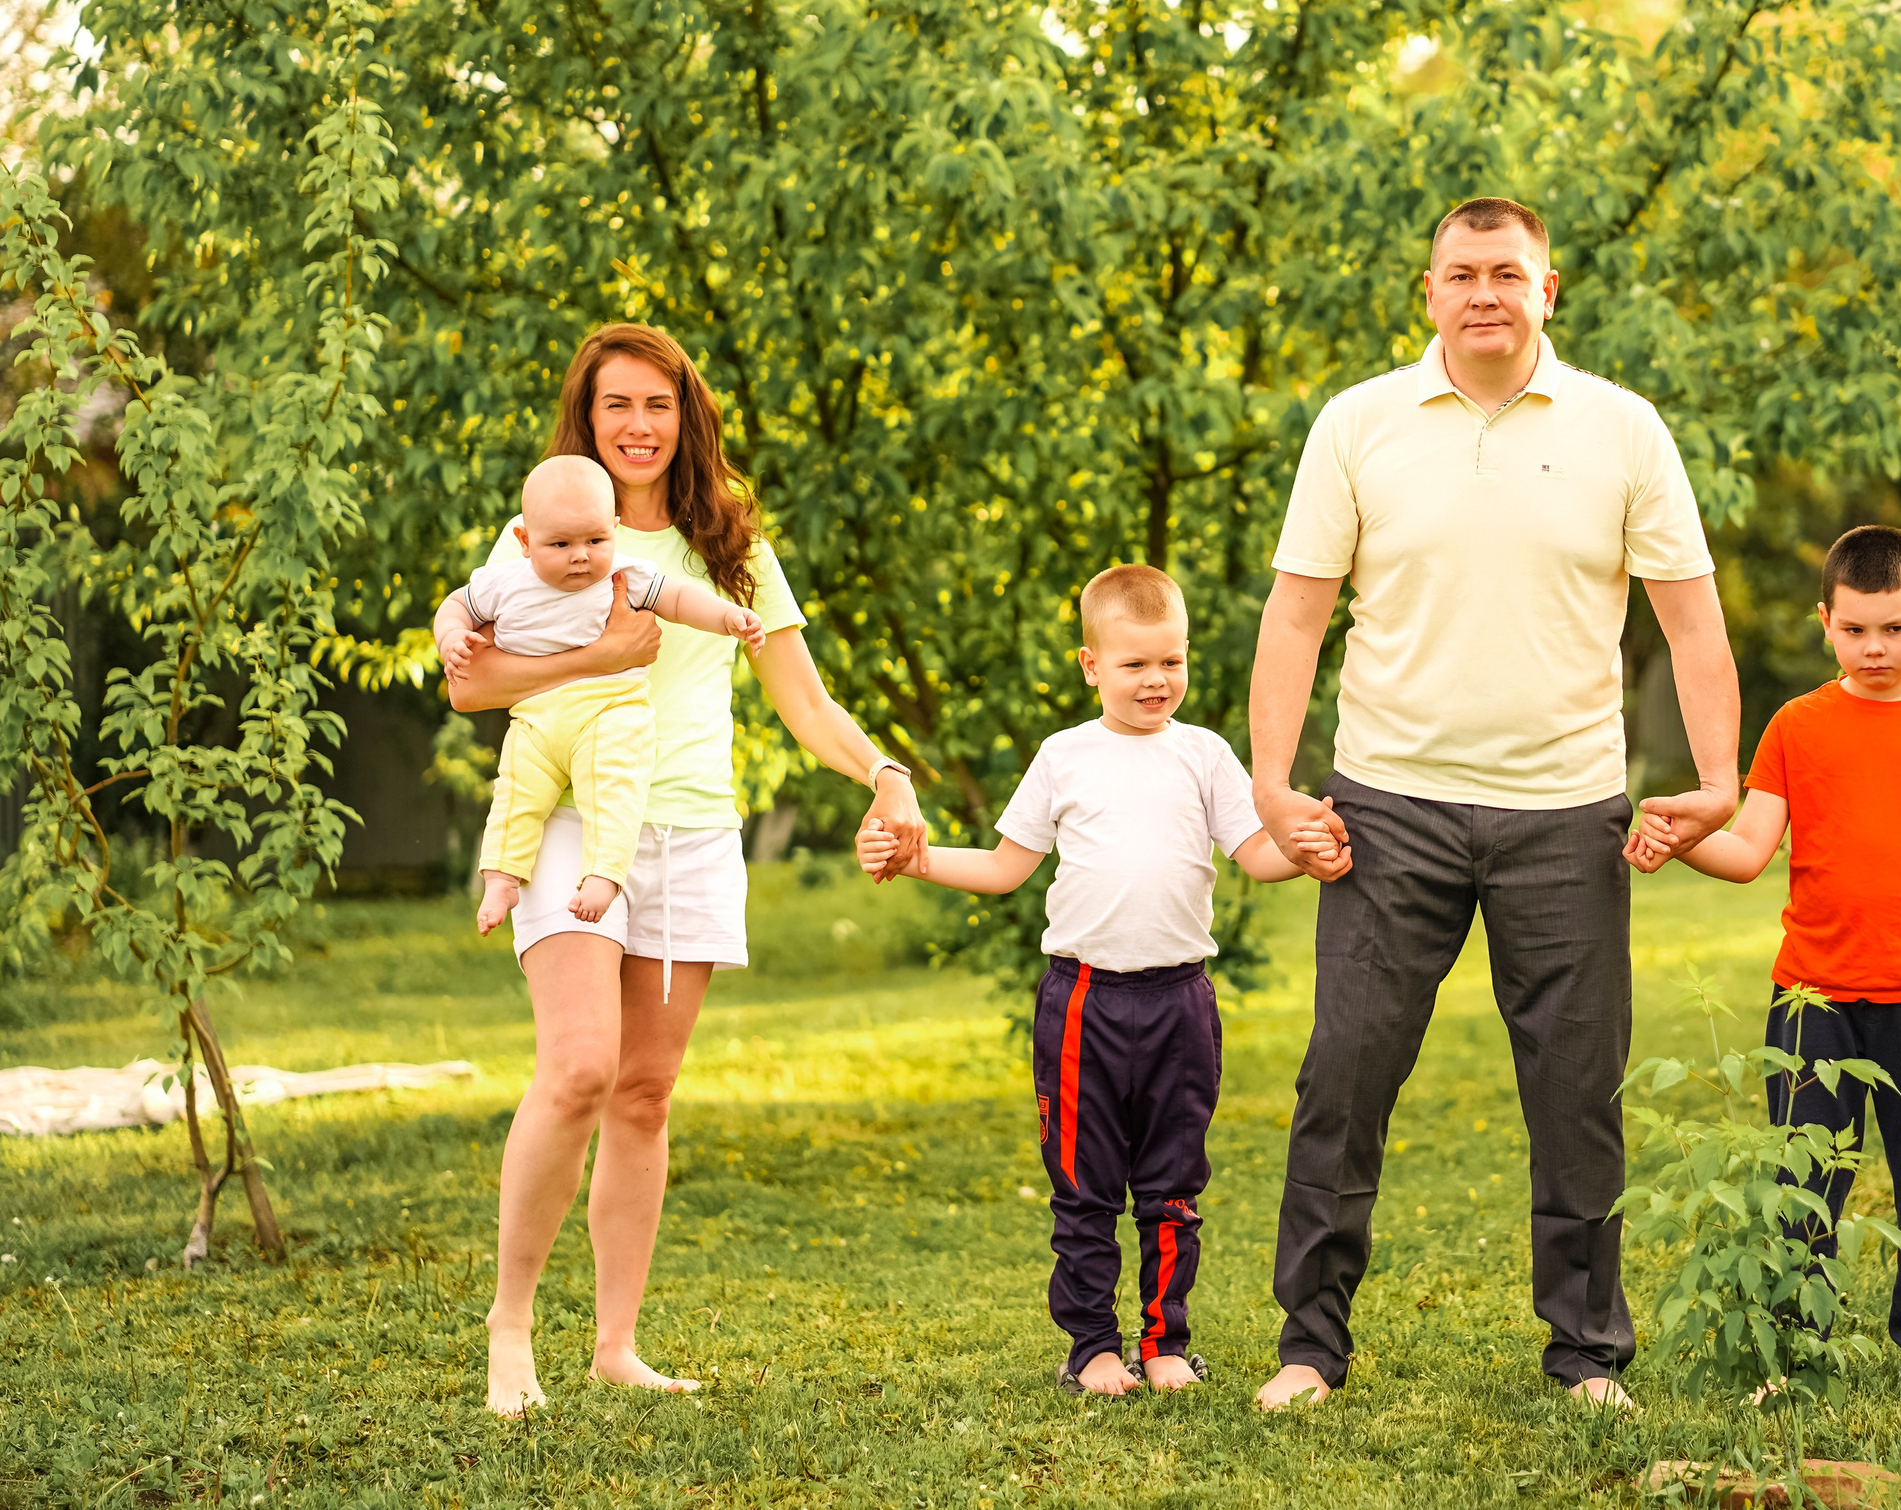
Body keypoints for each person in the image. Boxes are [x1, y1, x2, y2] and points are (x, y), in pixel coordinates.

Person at [1249, 197, 1743, 1412]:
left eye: (1507, 273)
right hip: (1386, 809)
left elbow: (1691, 622)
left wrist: (1720, 777)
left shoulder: (1623, 429)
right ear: (1428, 291)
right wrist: (1269, 780)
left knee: (1578, 1095)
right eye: (1462, 272)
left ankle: (1586, 1354)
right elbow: (1297, 615)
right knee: (1343, 1080)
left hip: (1567, 813)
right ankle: (1310, 1345)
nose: (1484, 292)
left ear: (1546, 289)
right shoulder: (1357, 423)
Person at [444, 322, 928, 1417]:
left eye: (657, 404)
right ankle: (511, 1325)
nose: (638, 425)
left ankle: (615, 1344)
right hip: (573, 819)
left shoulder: (731, 544)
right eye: (616, 404)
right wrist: (601, 655)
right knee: (580, 1067)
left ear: (685, 416)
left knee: (645, 1092)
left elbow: (804, 700)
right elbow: (472, 684)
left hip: (694, 830)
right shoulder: (550, 529)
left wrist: (883, 772)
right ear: (587, 417)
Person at [859, 565, 1303, 1396]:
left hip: (1180, 1002)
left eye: (1171, 660)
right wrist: (913, 860)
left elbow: (1258, 854)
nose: (1156, 679)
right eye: (1135, 663)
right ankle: (1094, 1346)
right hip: (1083, 1002)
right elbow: (1004, 868)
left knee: (1173, 1185)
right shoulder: (1064, 756)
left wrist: (1312, 850)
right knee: (1085, 1185)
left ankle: (1165, 1343)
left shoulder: (1205, 755)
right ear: (1091, 665)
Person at [1627, 523, 1901, 1408]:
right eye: (1854, 629)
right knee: (1801, 1189)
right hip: (1814, 1001)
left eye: (1894, 628)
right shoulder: (1797, 726)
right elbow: (1748, 849)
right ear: (1825, 622)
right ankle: (1792, 1352)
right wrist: (1680, 839)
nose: (1874, 647)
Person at [436, 455, 767, 942]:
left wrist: (725, 617)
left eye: (595, 541)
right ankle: (501, 878)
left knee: (613, 789)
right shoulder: (504, 583)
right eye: (560, 544)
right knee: (514, 793)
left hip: (609, 712)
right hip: (536, 720)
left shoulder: (624, 575)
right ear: (525, 541)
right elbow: (455, 606)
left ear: (613, 529)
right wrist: (450, 638)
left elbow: (676, 598)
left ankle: (604, 875)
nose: (581, 556)